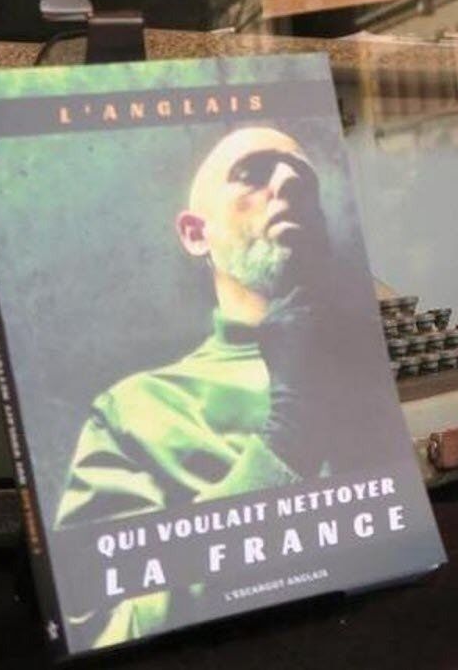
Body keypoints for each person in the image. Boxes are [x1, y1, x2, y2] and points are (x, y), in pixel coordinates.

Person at [54, 126, 362, 645]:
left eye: (303, 180)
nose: (288, 181)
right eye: (252, 173)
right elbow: (105, 626)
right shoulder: (136, 410)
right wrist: (284, 447)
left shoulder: (368, 361)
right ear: (196, 233)